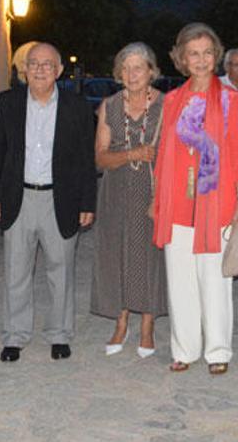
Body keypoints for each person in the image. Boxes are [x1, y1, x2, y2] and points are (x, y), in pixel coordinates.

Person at [0, 42, 97, 363]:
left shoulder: (76, 107)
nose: (39, 69)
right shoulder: (9, 102)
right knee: (16, 270)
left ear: (59, 71)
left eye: (47, 64)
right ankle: (15, 335)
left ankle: (59, 334)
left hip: (59, 199)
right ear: (25, 69)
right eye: (33, 63)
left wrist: (87, 202)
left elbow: (86, 161)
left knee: (60, 270)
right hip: (17, 197)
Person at [152, 23, 238, 375]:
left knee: (215, 281)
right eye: (193, 53)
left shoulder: (231, 100)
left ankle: (218, 350)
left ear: (216, 56)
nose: (201, 60)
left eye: (207, 53)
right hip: (178, 201)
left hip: (217, 201)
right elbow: (164, 152)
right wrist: (157, 199)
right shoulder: (173, 99)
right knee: (180, 280)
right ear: (181, 58)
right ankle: (185, 349)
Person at [90, 42, 168, 358]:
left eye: (139, 67)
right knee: (117, 254)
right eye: (126, 68)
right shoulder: (109, 106)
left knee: (150, 256)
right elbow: (100, 159)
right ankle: (121, 323)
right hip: (116, 191)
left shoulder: (167, 104)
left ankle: (147, 326)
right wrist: (133, 153)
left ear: (151, 71)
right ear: (119, 73)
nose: (132, 73)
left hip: (154, 190)